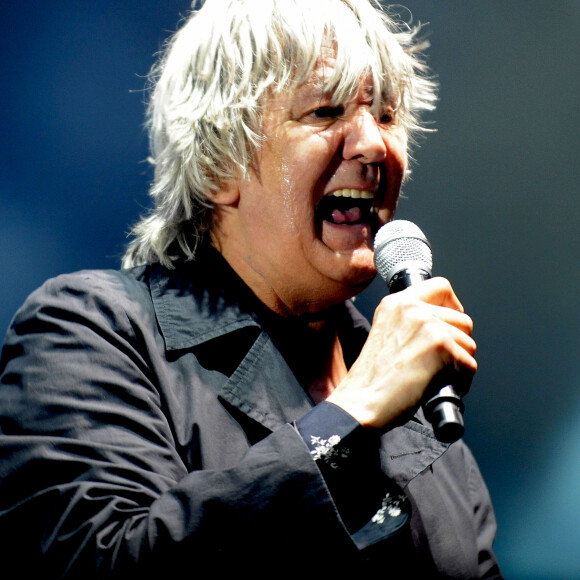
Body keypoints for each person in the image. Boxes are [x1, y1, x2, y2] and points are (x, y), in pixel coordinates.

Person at [0, 0, 502, 577]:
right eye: (325, 110)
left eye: (387, 116)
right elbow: (100, 562)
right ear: (218, 165)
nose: (374, 146)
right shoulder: (91, 332)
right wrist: (352, 416)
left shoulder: (426, 410)